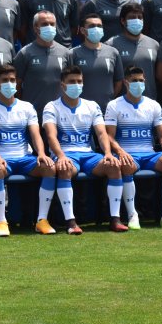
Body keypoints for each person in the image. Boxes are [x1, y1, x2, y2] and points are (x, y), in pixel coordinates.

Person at [43, 65, 129, 233]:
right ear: (62, 85)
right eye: (72, 82)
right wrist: (60, 156)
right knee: (65, 168)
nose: (76, 85)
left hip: (88, 155)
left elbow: (102, 134)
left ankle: (115, 219)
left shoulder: (92, 105)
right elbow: (51, 136)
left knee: (114, 166)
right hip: (66, 155)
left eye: (79, 81)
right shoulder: (51, 106)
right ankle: (71, 222)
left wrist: (108, 154)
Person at [104, 65, 162, 229]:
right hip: (129, 155)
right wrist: (120, 152)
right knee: (125, 165)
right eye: (134, 81)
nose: (138, 84)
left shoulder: (154, 105)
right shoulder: (114, 105)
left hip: (149, 155)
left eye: (141, 80)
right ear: (126, 82)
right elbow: (108, 136)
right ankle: (132, 215)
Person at [0, 64, 57, 236]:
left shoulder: (27, 106)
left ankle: (42, 220)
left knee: (50, 167)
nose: (9, 84)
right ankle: (1, 222)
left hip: (25, 158)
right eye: (5, 80)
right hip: (1, 158)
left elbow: (35, 135)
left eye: (12, 80)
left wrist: (41, 154)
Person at [13, 10, 71, 117]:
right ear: (35, 28)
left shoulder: (66, 53)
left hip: (59, 115)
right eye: (44, 24)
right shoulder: (24, 53)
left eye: (52, 24)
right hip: (33, 116)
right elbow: (17, 84)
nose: (49, 27)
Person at [65, 14, 124, 113]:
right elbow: (66, 82)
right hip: (81, 111)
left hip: (107, 110)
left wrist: (109, 99)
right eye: (92, 26)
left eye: (99, 26)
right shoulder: (72, 54)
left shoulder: (113, 52)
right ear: (83, 30)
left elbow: (118, 82)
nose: (96, 29)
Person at [105, 2, 161, 101]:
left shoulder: (154, 44)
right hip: (122, 103)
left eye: (140, 17)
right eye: (132, 17)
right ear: (122, 21)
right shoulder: (111, 45)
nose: (136, 20)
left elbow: (159, 75)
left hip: (150, 101)